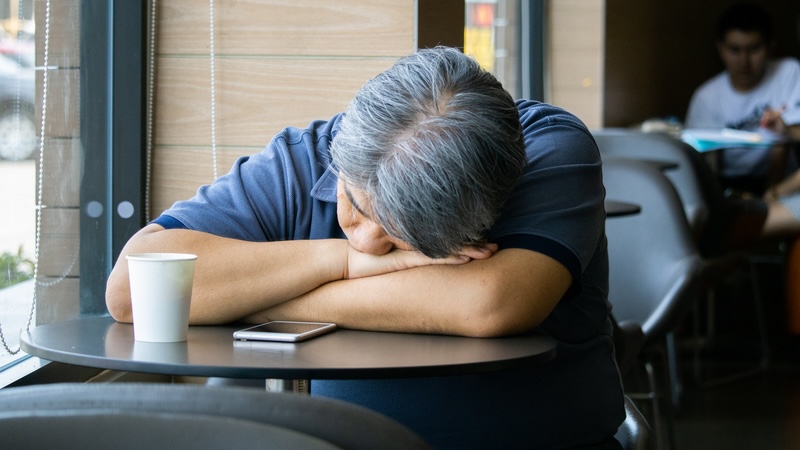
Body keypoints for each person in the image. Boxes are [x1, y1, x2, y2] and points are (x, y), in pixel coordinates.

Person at [106, 47, 624, 449]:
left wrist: (255, 300)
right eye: (354, 203)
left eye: (405, 237)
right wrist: (341, 263)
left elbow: (491, 304)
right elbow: (134, 291)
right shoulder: (304, 159)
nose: (368, 240)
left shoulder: (551, 149)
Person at [685, 2, 800, 195]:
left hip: (782, 183)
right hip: (728, 183)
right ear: (720, 49)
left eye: (753, 49)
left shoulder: (789, 72)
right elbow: (703, 157)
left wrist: (784, 129)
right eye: (734, 50)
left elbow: (783, 144)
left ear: (770, 47)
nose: (744, 61)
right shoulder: (706, 97)